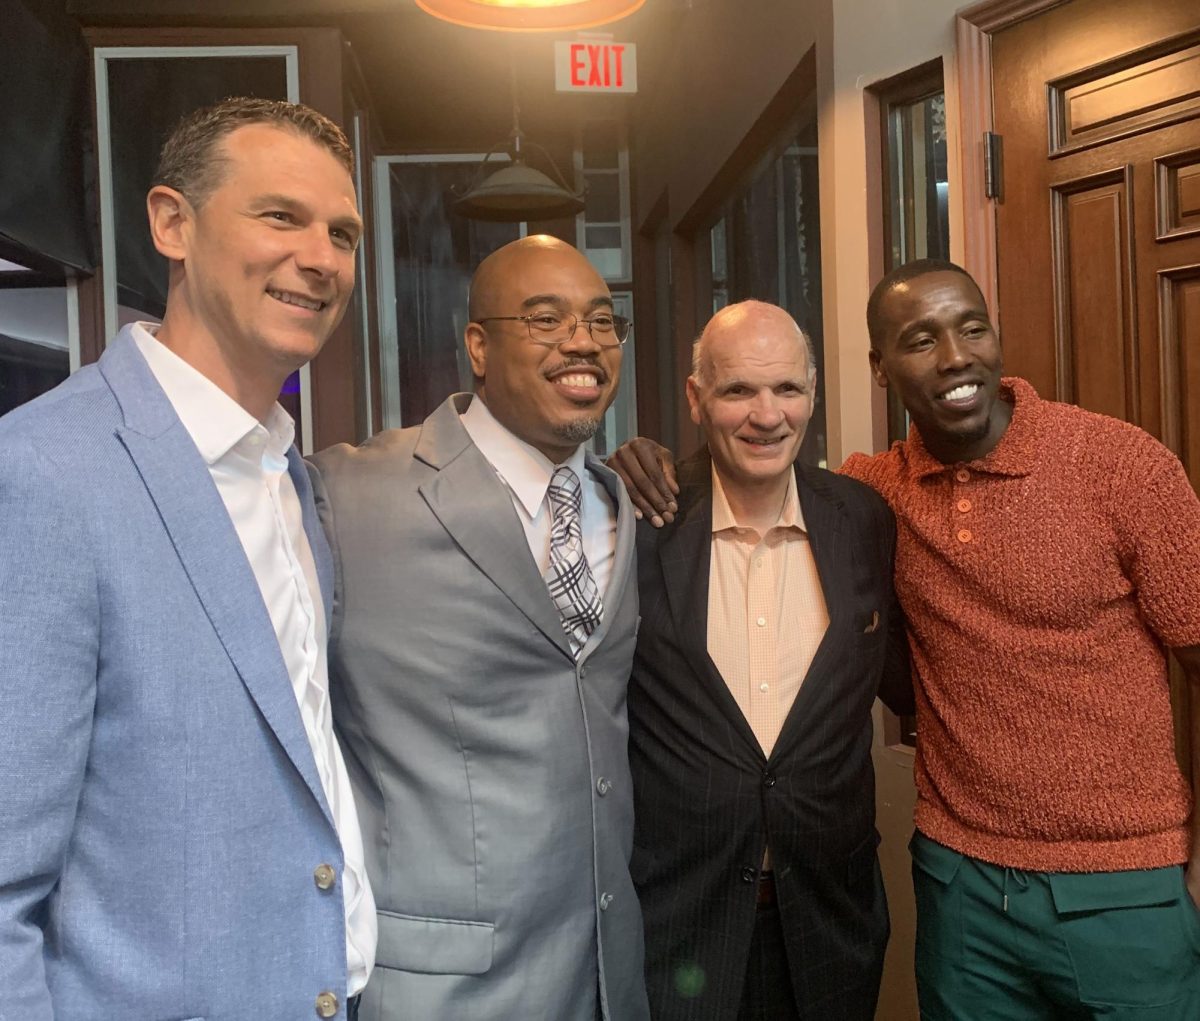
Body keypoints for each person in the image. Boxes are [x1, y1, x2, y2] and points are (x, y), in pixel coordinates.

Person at [611, 260, 1200, 1020]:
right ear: (879, 368)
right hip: (958, 885)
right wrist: (629, 463)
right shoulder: (873, 497)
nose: (956, 357)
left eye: (972, 328)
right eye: (921, 340)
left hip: (1126, 882)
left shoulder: (1119, 465)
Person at [0, 98, 375, 1021]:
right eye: (280, 216)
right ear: (172, 223)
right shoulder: (45, 472)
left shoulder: (289, 474)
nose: (321, 257)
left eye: (342, 233)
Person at [309, 235, 650, 1021]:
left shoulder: (619, 502)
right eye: (544, 317)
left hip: (607, 976)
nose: (582, 342)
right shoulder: (349, 495)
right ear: (478, 346)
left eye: (603, 322)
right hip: (443, 988)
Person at [627, 301, 912, 1021]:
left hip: (828, 918)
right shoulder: (636, 523)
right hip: (675, 922)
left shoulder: (863, 518)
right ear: (696, 399)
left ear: (812, 394)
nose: (766, 414)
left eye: (787, 389)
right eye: (737, 391)